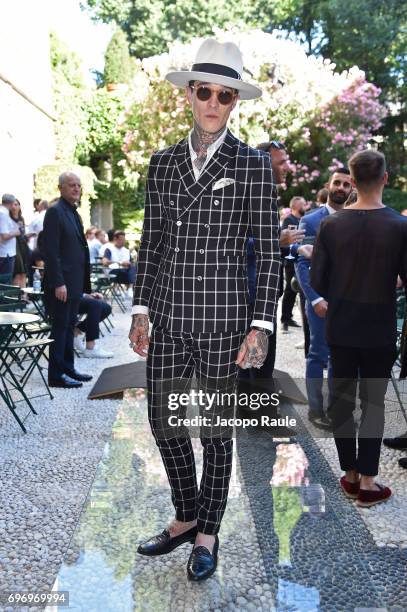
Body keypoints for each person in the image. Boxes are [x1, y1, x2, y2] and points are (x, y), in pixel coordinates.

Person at [128, 39, 281, 581]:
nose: (213, 102)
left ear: (234, 101)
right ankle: (186, 513)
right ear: (189, 94)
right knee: (165, 422)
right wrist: (141, 307)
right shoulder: (162, 163)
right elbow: (152, 243)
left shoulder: (253, 165)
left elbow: (267, 249)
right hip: (168, 314)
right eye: (204, 91)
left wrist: (261, 324)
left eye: (225, 94)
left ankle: (208, 530)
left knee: (215, 431)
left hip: (223, 320)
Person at [310, 149, 407, 506]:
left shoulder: (331, 224)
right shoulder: (400, 225)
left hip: (342, 325)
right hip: (379, 326)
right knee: (373, 403)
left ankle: (349, 474)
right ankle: (368, 481)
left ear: (351, 181)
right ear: (384, 178)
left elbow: (318, 279)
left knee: (341, 401)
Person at [295, 167, 352, 428]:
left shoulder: (356, 219)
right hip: (320, 302)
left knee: (342, 356)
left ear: (352, 189)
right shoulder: (310, 220)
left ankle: (336, 408)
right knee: (318, 355)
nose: (341, 188)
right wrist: (315, 299)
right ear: (329, 186)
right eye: (337, 183)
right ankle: (316, 411)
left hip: (348, 302)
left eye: (346, 185)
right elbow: (302, 263)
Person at [42, 172, 93, 389]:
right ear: (61, 187)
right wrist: (58, 282)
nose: (76, 189)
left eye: (78, 185)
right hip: (62, 284)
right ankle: (55, 375)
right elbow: (51, 252)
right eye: (71, 185)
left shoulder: (74, 213)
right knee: (60, 329)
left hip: (74, 282)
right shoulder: (54, 212)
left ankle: (68, 368)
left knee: (69, 326)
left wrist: (83, 284)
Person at [280, 196, 306, 332]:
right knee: (290, 289)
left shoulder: (301, 220)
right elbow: (285, 239)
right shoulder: (289, 220)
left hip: (298, 257)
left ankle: (288, 317)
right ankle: (285, 318)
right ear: (295, 206)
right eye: (303, 204)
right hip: (290, 260)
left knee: (295, 290)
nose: (306, 206)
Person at [73, 293, 114, 358]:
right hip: (61, 297)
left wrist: (86, 295)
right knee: (95, 304)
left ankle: (76, 331)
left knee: (106, 308)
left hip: (75, 295)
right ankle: (90, 348)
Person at [9, 199, 30, 288]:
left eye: (16, 204)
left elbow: (22, 234)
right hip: (14, 246)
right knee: (18, 271)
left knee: (24, 272)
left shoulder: (21, 218)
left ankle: (23, 295)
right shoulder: (8, 219)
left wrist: (28, 236)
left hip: (23, 245)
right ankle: (16, 295)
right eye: (12, 205)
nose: (14, 207)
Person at [0, 194, 20, 281]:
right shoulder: (3, 214)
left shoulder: (4, 212)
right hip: (6, 253)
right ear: (11, 203)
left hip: (6, 252)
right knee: (5, 282)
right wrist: (16, 232)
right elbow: (4, 235)